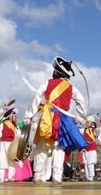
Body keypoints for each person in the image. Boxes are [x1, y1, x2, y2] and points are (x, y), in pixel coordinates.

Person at [24, 56, 88, 185]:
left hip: (46, 117)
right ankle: (57, 177)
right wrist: (80, 118)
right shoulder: (71, 88)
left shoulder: (47, 83)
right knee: (59, 148)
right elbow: (81, 101)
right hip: (63, 119)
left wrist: (28, 115)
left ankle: (37, 175)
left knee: (42, 147)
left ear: (56, 72)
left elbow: (36, 98)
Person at [0, 107, 20, 183]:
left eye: (16, 116)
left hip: (12, 144)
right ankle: (1, 178)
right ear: (9, 116)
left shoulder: (16, 126)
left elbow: (19, 135)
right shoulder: (3, 124)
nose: (15, 117)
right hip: (3, 143)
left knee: (11, 160)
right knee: (2, 159)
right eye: (14, 115)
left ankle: (10, 177)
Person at [81, 115, 98, 182]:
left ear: (92, 123)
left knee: (90, 163)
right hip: (85, 149)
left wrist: (98, 139)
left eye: (88, 122)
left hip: (92, 149)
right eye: (86, 122)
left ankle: (91, 176)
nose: (86, 123)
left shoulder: (95, 130)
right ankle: (87, 176)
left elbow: (98, 137)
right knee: (85, 163)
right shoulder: (83, 130)